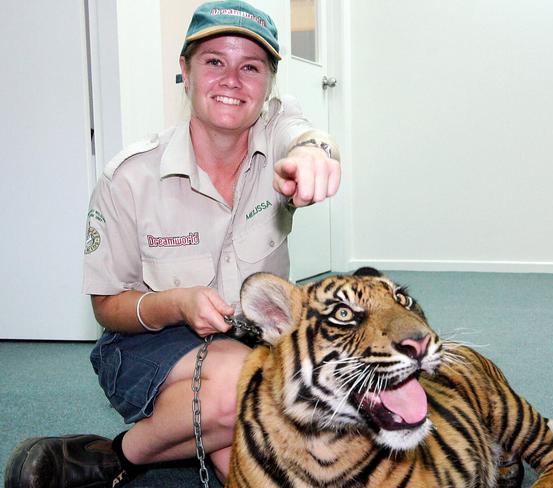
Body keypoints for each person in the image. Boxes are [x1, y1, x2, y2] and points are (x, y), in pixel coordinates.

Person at [4, 1, 340, 487]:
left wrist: (315, 154)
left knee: (264, 466)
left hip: (253, 337)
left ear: (269, 83)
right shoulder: (129, 176)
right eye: (213, 62)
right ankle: (142, 446)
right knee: (251, 391)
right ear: (184, 70)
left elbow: (306, 136)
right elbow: (106, 306)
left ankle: (146, 446)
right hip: (148, 340)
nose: (231, 79)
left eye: (251, 67)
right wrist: (178, 303)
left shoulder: (279, 141)